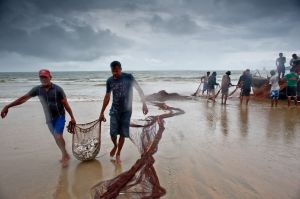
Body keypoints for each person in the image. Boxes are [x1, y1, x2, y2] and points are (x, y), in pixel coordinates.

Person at [0, 69, 76, 167]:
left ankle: (65, 156)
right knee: (56, 138)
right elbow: (23, 99)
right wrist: (8, 106)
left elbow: (66, 104)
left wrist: (72, 118)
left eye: (45, 77)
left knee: (58, 136)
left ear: (50, 77)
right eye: (41, 77)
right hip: (49, 119)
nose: (43, 79)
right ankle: (64, 154)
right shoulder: (37, 90)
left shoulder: (58, 89)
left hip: (60, 116)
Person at [99, 61, 148, 164]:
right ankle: (115, 145)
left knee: (122, 133)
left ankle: (118, 154)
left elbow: (139, 90)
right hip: (114, 110)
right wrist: (102, 112)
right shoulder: (110, 81)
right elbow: (107, 96)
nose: (115, 73)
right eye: (113, 71)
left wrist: (144, 104)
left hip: (126, 111)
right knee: (113, 133)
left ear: (121, 69)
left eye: (116, 71)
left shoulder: (129, 77)